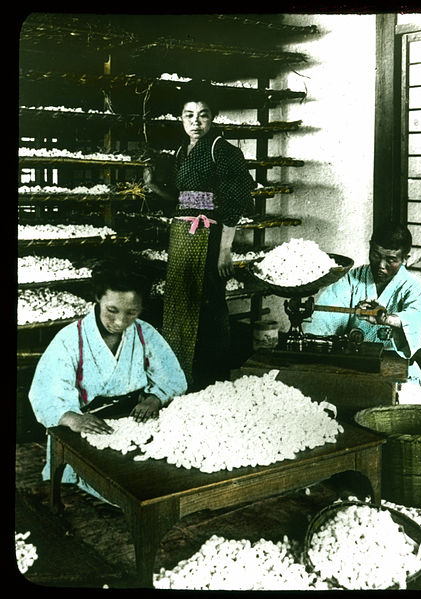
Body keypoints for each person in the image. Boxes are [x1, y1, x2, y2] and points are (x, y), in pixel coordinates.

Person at [28, 256, 187, 501]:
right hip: (85, 426)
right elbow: (46, 392)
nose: (120, 321)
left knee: (164, 477)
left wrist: (154, 399)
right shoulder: (70, 339)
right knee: (125, 491)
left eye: (131, 312)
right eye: (112, 310)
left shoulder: (145, 334)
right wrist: (73, 418)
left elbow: (172, 377)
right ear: (98, 298)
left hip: (134, 419)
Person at [144, 81, 256, 391]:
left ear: (213, 117)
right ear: (180, 118)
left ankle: (213, 378)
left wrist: (225, 250)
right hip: (183, 233)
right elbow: (182, 199)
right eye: (188, 115)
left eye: (203, 115)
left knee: (210, 303)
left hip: (210, 235)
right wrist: (153, 186)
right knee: (182, 301)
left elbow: (236, 200)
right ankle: (181, 373)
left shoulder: (223, 150)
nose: (196, 122)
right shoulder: (183, 150)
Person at [303, 222, 421, 386]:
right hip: (352, 365)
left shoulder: (417, 289)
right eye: (376, 255)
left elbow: (412, 321)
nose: (381, 266)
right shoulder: (353, 278)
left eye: (391, 260)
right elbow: (326, 319)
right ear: (370, 247)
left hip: (396, 372)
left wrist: (383, 318)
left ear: (405, 259)